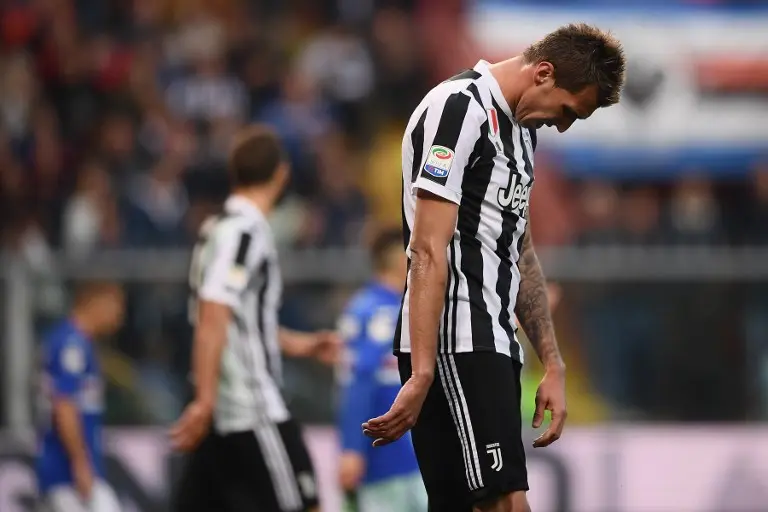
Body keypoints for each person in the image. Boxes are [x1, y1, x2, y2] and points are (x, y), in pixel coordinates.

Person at [363, 23, 626, 512]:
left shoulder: (523, 135)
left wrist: (553, 362)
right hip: (457, 340)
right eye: (568, 111)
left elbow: (519, 252)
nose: (563, 126)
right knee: (505, 502)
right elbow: (427, 249)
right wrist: (422, 372)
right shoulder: (458, 108)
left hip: (493, 342)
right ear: (543, 73)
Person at [170, 125, 339, 512]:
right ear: (281, 173)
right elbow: (214, 312)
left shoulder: (214, 229)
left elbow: (238, 322)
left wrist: (302, 344)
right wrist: (204, 400)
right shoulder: (245, 233)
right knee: (306, 504)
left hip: (222, 416)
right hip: (250, 408)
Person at [336, 228, 427, 512]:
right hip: (386, 460)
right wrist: (352, 448)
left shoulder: (397, 307)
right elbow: (358, 382)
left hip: (415, 457)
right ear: (401, 259)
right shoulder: (376, 313)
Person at [36, 282, 126, 512]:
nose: (119, 317)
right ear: (97, 303)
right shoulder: (71, 345)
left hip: (79, 471)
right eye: (116, 307)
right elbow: (64, 405)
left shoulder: (81, 342)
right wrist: (80, 463)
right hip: (65, 473)